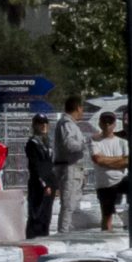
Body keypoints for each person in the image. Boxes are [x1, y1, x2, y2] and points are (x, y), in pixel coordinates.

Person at [53, 95, 93, 230]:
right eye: (82, 109)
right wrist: (86, 142)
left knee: (73, 204)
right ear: (78, 108)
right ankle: (64, 232)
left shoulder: (71, 125)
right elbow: (69, 145)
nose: (83, 112)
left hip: (75, 168)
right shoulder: (67, 124)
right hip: (69, 168)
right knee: (68, 205)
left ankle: (68, 230)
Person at [90, 113, 132, 229]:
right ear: (100, 124)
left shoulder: (123, 142)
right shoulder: (95, 141)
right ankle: (106, 234)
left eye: (110, 122)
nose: (107, 125)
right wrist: (119, 159)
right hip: (105, 183)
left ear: (114, 124)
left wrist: (106, 161)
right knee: (107, 215)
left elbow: (127, 161)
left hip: (121, 179)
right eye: (104, 122)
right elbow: (98, 160)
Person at [23, 114, 58, 237]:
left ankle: (44, 238)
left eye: (45, 123)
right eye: (40, 123)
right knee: (36, 216)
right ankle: (33, 240)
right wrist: (44, 184)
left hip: (49, 183)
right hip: (38, 184)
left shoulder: (47, 143)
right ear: (34, 125)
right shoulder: (32, 143)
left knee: (46, 217)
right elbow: (36, 166)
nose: (43, 126)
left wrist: (54, 184)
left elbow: (50, 165)